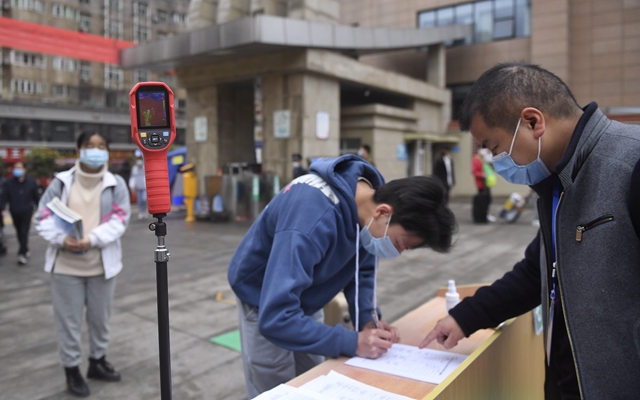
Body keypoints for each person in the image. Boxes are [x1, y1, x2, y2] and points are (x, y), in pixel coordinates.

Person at [420, 62, 640, 399]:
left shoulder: (630, 164)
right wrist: (466, 317)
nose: (495, 159)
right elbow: (537, 271)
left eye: (493, 147)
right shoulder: (555, 184)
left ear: (533, 122)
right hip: (569, 382)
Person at [228, 154, 456, 398]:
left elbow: (363, 269)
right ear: (383, 212)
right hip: (263, 297)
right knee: (277, 384)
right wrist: (352, 342)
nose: (398, 252)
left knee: (311, 378)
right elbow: (276, 318)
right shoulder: (312, 217)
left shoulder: (367, 210)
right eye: (401, 244)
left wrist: (367, 319)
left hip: (307, 294)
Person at [35, 131, 130, 397]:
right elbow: (43, 216)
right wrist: (61, 239)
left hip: (102, 265)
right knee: (69, 322)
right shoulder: (61, 183)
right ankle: (72, 370)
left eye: (102, 146)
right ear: (78, 150)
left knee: (101, 320)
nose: (96, 151)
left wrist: (92, 239)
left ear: (108, 152)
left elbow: (120, 219)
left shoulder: (115, 184)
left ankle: (97, 362)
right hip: (66, 269)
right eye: (90, 146)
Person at [0, 161, 40, 265]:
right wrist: (3, 209)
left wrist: (41, 208)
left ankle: (21, 254)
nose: (17, 170)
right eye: (15, 168)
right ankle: (25, 248)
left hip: (27, 211)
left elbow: (36, 197)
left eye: (19, 168)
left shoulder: (31, 182)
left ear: (24, 170)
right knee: (18, 232)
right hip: (14, 210)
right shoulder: (9, 183)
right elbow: (4, 197)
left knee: (24, 231)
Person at [471, 148, 496, 223]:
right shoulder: (476, 159)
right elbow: (474, 171)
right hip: (481, 183)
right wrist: (482, 175)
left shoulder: (483, 160)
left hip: (487, 183)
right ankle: (482, 215)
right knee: (483, 200)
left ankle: (485, 214)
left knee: (488, 199)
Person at [129, 149, 147, 220]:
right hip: (138, 187)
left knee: (144, 199)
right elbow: (132, 177)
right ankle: (141, 212)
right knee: (139, 201)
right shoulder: (134, 168)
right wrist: (132, 186)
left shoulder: (145, 167)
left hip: (144, 186)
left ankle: (145, 211)